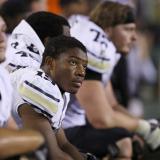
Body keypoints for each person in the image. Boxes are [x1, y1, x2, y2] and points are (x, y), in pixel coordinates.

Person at [62, 1, 160, 159]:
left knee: (130, 136)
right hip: (61, 128)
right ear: (107, 29)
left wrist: (143, 126)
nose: (134, 37)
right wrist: (143, 127)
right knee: (123, 141)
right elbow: (101, 118)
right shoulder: (93, 50)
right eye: (128, 29)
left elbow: (112, 105)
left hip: (75, 123)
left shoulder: (107, 53)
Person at [10, 35, 90, 160]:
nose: (81, 72)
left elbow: (63, 143)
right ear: (50, 62)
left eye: (84, 66)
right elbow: (51, 155)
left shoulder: (59, 90)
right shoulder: (38, 85)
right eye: (73, 62)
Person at [0, 14, 45, 159]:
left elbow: (8, 124)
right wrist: (37, 139)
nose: (2, 39)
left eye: (3, 30)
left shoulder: (2, 74)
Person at [6, 11, 70, 73]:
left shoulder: (8, 46)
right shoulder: (32, 67)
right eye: (66, 41)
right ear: (48, 42)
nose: (70, 46)